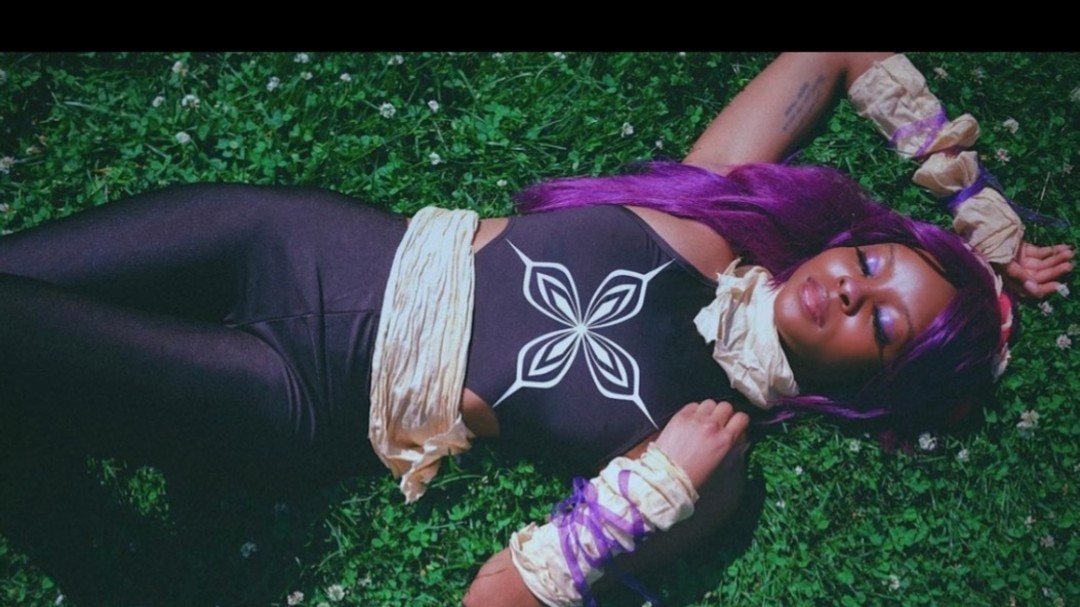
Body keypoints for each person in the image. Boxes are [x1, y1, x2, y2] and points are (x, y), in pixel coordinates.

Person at [0, 53, 1070, 607]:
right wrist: (981, 219)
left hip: (295, 390)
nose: (848, 288)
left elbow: (495, 597)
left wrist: (653, 489)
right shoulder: (713, 208)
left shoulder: (710, 457)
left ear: (873, 386)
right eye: (872, 262)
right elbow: (834, 53)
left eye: (882, 326)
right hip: (272, 238)